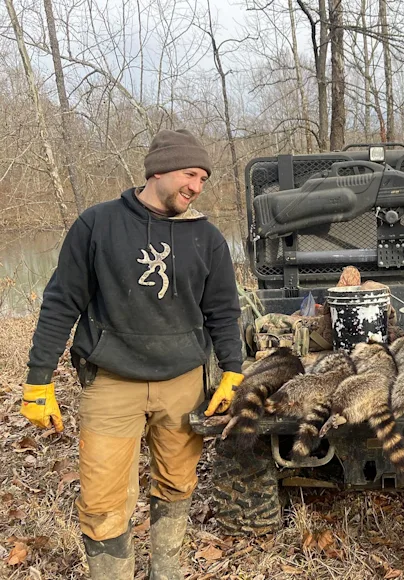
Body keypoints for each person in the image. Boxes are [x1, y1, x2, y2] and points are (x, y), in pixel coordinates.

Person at [20, 129, 245, 579]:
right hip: (110, 382)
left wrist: (233, 371)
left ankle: (166, 572)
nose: (197, 187)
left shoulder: (207, 237)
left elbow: (223, 310)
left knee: (178, 484)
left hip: (183, 382)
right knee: (102, 501)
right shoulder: (97, 224)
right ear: (157, 170)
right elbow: (63, 300)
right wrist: (38, 377)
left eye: (203, 178)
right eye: (190, 174)